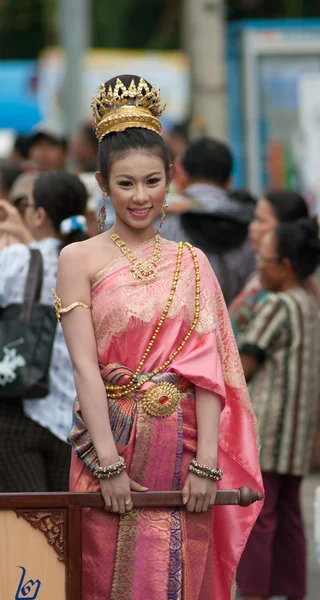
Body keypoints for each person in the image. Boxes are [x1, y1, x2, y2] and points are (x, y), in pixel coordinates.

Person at [54, 74, 263, 600]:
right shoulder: (77, 259)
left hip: (183, 449)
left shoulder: (192, 262)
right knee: (101, 576)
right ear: (103, 185)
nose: (140, 196)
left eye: (152, 181)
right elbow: (84, 368)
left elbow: (209, 369)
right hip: (109, 441)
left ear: (172, 179)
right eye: (125, 184)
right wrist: (107, 464)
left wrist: (206, 464)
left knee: (177, 581)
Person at [236, 218, 320, 600]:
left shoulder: (278, 306)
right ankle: (290, 593)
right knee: (289, 520)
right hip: (296, 437)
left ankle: (254, 594)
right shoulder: (309, 303)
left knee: (259, 520)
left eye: (265, 260)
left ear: (286, 266)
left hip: (268, 435)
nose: (259, 266)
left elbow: (244, 364)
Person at [0, 170, 87, 492]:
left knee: (27, 529)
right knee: (64, 528)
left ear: (38, 214)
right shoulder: (92, 261)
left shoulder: (16, 258)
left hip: (17, 409)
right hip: (77, 418)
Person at [160, 137, 254, 305]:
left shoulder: (160, 215)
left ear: (183, 175)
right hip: (232, 326)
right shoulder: (250, 220)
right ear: (228, 182)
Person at [230, 189, 309, 338]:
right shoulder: (261, 276)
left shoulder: (280, 285)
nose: (251, 227)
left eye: (260, 221)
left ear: (284, 230)